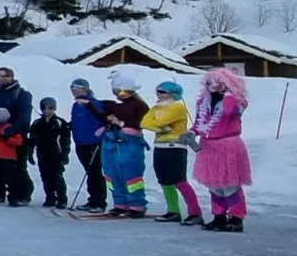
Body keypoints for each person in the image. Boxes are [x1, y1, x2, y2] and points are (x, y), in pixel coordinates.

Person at [190, 68, 251, 232]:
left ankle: (236, 217)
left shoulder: (237, 102)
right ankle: (219, 216)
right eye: (207, 82)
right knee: (214, 185)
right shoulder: (203, 102)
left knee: (229, 185)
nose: (209, 85)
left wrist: (228, 94)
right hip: (208, 147)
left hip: (227, 146)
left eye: (214, 82)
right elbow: (199, 123)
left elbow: (231, 113)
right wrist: (191, 133)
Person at [143, 81, 203, 225]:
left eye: (163, 92)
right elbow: (144, 122)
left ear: (173, 94)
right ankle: (173, 210)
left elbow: (161, 121)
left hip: (175, 146)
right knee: (164, 180)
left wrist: (156, 124)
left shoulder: (178, 107)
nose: (159, 94)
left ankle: (195, 212)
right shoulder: (157, 107)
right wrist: (159, 129)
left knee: (179, 180)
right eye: (158, 91)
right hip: (160, 145)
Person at [97, 72, 153, 217]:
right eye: (116, 91)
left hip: (130, 143)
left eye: (121, 91)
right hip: (112, 143)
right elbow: (101, 113)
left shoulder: (139, 106)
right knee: (112, 174)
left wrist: (120, 123)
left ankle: (137, 204)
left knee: (131, 175)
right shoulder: (116, 106)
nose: (118, 95)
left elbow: (140, 122)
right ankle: (120, 203)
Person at [67, 79, 110, 212]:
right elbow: (76, 122)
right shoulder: (76, 105)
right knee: (90, 172)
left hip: (93, 143)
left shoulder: (93, 103)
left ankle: (99, 202)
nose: (74, 90)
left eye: (77, 87)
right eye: (72, 88)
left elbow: (101, 119)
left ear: (85, 88)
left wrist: (99, 136)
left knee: (95, 172)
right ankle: (92, 200)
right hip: (80, 142)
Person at [29, 98, 73, 209]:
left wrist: (65, 155)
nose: (47, 110)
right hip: (42, 154)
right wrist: (30, 153)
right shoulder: (37, 123)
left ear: (54, 108)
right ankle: (50, 197)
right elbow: (32, 140)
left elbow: (66, 141)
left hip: (56, 154)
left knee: (57, 176)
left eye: (50, 108)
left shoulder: (60, 122)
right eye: (44, 108)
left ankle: (62, 198)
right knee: (45, 176)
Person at [0, 108, 30, 206]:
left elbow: (19, 141)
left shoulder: (11, 129)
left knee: (11, 179)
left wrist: (7, 139)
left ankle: (13, 198)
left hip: (9, 158)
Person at [0, 67, 33, 143]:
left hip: (15, 138)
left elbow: (24, 118)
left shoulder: (21, 94)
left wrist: (8, 131)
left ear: (10, 77)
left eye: (2, 76)